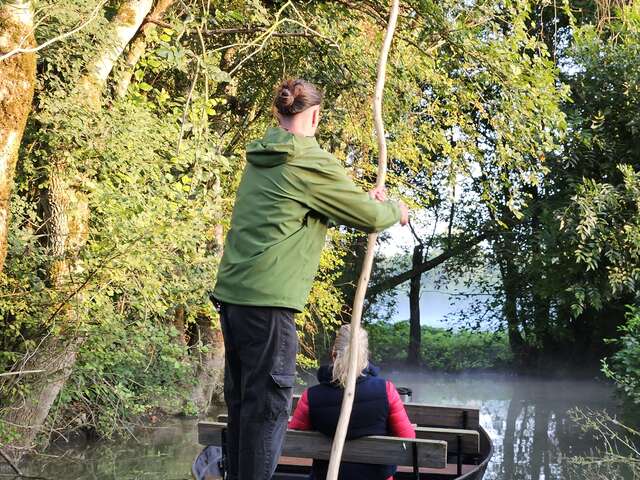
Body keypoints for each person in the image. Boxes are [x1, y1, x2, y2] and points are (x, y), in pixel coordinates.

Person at [211, 78, 409, 480]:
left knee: (244, 407)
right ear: (315, 115)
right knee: (267, 412)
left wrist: (359, 203)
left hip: (233, 299)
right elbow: (369, 216)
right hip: (268, 303)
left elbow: (318, 207)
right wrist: (394, 209)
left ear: (277, 113)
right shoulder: (307, 160)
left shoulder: (262, 155)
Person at [289, 324, 416, 480]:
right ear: (365, 356)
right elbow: (408, 438)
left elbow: (295, 438)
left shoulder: (311, 396)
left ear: (333, 355)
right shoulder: (386, 391)